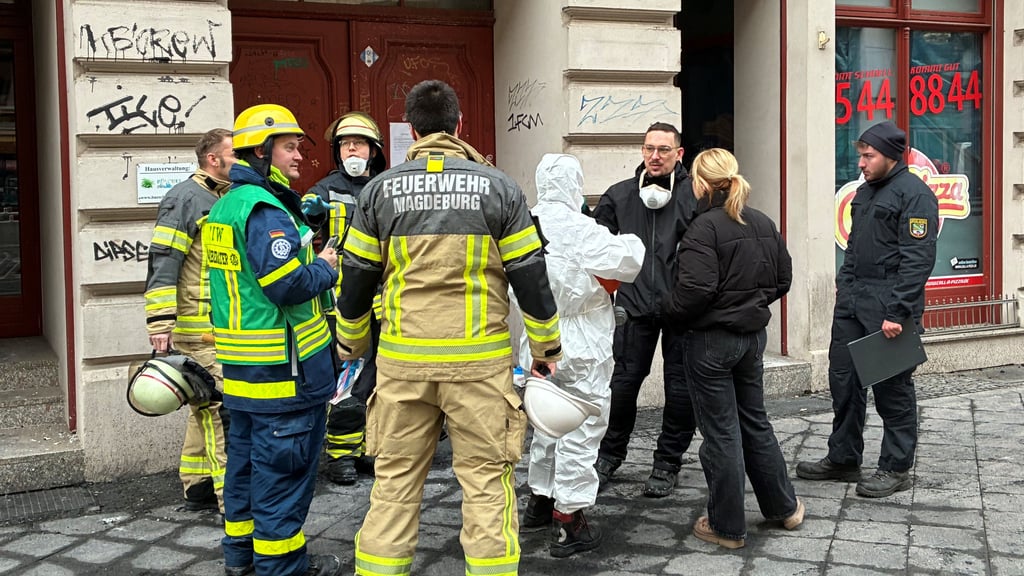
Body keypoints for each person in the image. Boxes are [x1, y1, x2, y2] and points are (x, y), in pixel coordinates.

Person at [335, 79, 562, 576]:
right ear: (460, 126)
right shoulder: (499, 187)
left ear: (412, 132)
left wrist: (351, 343)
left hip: (401, 366)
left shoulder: (377, 192)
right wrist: (546, 347)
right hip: (479, 369)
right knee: (485, 482)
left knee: (393, 484)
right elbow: (531, 277)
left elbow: (355, 280)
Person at [206, 104, 342, 576]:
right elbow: (286, 285)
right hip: (284, 377)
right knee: (281, 480)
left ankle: (240, 561)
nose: (299, 156)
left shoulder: (225, 205)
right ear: (261, 152)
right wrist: (325, 266)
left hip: (244, 378)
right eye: (289, 147)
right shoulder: (263, 210)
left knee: (243, 474)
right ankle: (282, 569)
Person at [665, 148, 802, 549]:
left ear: (701, 183)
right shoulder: (761, 220)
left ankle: (727, 526)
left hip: (710, 342)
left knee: (721, 433)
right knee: (754, 421)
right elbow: (783, 278)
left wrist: (669, 313)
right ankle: (784, 508)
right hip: (750, 339)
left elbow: (695, 290)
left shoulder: (702, 229)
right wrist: (749, 305)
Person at [796, 121, 938, 498]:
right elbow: (854, 246)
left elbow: (918, 259)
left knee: (892, 389)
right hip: (853, 301)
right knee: (843, 382)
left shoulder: (915, 194)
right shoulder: (864, 192)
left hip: (889, 305)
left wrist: (898, 311)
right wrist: (844, 284)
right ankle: (843, 458)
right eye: (860, 154)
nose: (860, 162)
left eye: (868, 155)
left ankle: (895, 467)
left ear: (891, 156)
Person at [517, 153, 645, 558]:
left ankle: (539, 500)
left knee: (544, 421)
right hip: (582, 341)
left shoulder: (522, 223)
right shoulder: (582, 229)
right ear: (574, 185)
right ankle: (569, 520)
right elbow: (629, 259)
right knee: (581, 426)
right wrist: (631, 236)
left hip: (537, 336)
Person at [592, 122, 698, 498]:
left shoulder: (695, 196)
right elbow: (596, 249)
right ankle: (608, 454)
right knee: (621, 385)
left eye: (664, 150)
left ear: (679, 154)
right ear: (641, 150)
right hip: (633, 308)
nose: (655, 156)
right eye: (649, 148)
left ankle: (668, 462)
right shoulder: (619, 196)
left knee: (681, 389)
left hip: (681, 311)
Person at [143, 128, 234, 515]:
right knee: (221, 410)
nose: (242, 160)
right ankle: (234, 502)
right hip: (199, 328)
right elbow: (164, 259)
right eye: (234, 154)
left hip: (218, 326)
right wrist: (160, 322)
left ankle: (196, 484)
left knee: (203, 403)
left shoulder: (224, 197)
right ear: (213, 159)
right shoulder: (185, 198)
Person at [306, 111, 387, 485]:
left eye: (358, 143)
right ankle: (341, 454)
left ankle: (369, 448)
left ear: (374, 150)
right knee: (346, 380)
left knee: (379, 379)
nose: (352, 149)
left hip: (384, 301)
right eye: (345, 144)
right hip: (342, 304)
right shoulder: (322, 190)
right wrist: (306, 217)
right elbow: (299, 240)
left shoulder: (386, 188)